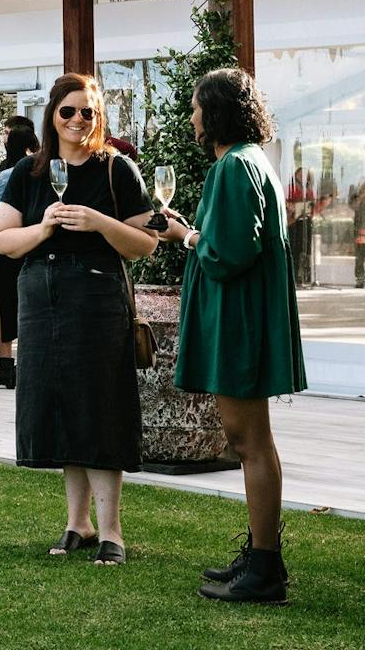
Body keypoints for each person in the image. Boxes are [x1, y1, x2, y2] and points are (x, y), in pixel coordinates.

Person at [0, 74, 156, 566]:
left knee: (100, 405)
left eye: (88, 111)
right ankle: (76, 524)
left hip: (98, 295)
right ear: (52, 116)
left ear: (99, 115)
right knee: (62, 406)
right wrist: (44, 228)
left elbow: (144, 243)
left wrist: (98, 222)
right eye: (69, 111)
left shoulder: (117, 170)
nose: (79, 120)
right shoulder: (29, 172)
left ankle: (112, 531)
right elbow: (2, 241)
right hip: (42, 297)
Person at [160, 67, 306, 604]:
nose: (193, 118)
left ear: (215, 112)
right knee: (251, 441)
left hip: (240, 324)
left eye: (197, 107)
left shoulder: (234, 167)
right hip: (243, 318)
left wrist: (185, 234)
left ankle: (266, 568)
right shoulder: (247, 163)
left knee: (249, 442)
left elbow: (229, 253)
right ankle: (261, 554)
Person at [0, 120, 39, 390]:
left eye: (5, 135)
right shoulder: (41, 169)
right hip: (33, 246)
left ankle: (6, 366)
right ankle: (25, 365)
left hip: (7, 247)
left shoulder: (8, 174)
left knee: (2, 306)